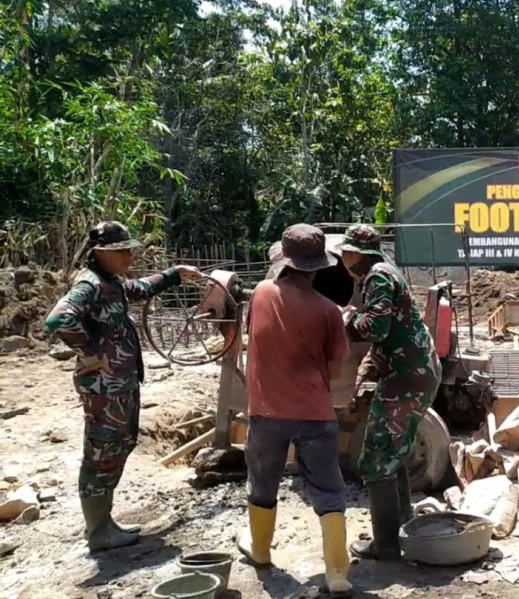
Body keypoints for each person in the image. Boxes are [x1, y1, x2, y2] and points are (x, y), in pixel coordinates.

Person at [45, 221, 201, 552]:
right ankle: (98, 531)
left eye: (129, 249)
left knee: (117, 446)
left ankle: (105, 523)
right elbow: (58, 319)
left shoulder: (111, 282)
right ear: (101, 253)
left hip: (119, 383)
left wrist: (174, 274)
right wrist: (90, 352)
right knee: (101, 452)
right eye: (122, 251)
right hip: (104, 387)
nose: (130, 255)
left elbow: (141, 288)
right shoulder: (89, 286)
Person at [236, 224, 352, 596]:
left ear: (283, 261)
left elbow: (253, 336)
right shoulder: (329, 311)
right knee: (329, 489)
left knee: (263, 483)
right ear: (319, 266)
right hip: (316, 413)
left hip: (267, 411)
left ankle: (261, 552)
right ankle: (337, 573)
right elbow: (335, 370)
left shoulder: (260, 294)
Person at [336, 224, 441, 561]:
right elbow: (382, 341)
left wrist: (344, 321)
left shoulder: (377, 278)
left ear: (360, 254)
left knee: (375, 460)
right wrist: (363, 376)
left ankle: (386, 545)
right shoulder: (383, 274)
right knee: (393, 453)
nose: (343, 257)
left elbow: (376, 327)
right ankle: (402, 526)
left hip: (407, 379)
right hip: (412, 373)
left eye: (347, 251)